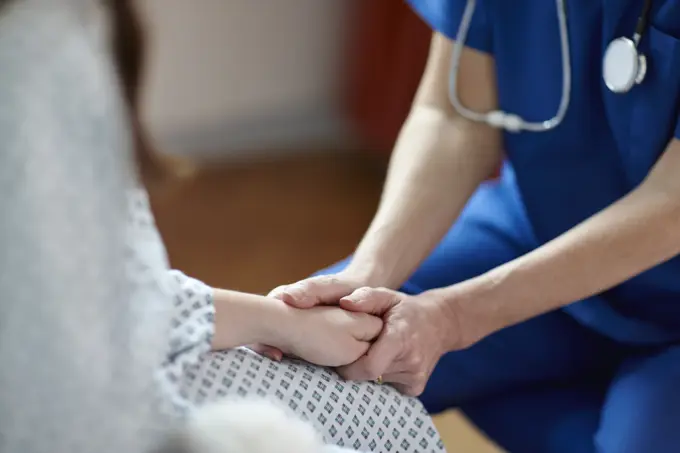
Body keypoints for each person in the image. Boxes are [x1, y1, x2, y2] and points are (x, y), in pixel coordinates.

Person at [0, 1, 445, 452]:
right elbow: (71, 395)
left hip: (123, 365)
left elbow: (98, 293)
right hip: (97, 414)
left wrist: (285, 319)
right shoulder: (40, 50)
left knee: (383, 413)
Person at [263, 1, 680, 452]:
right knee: (297, 374)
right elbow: (455, 115)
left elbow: (671, 203)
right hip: (528, 233)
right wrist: (364, 279)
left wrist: (454, 318)